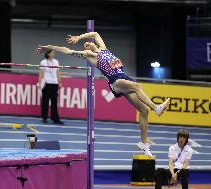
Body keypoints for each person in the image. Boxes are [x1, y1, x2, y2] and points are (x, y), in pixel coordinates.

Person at [36, 32, 170, 157]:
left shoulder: (104, 49)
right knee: (137, 86)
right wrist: (49, 47)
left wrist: (79, 37)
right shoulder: (92, 56)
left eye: (88, 43)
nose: (88, 44)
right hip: (116, 81)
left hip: (123, 77)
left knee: (143, 110)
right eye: (86, 46)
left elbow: (95, 34)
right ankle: (156, 108)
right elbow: (68, 50)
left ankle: (144, 144)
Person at [38, 50, 64, 125]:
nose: (53, 54)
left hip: (54, 83)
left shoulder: (56, 62)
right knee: (45, 101)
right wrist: (40, 83)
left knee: (54, 102)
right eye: (52, 53)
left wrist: (60, 82)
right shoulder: (43, 62)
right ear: (48, 54)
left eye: (54, 53)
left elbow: (58, 72)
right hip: (46, 83)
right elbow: (41, 73)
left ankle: (55, 118)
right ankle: (44, 117)